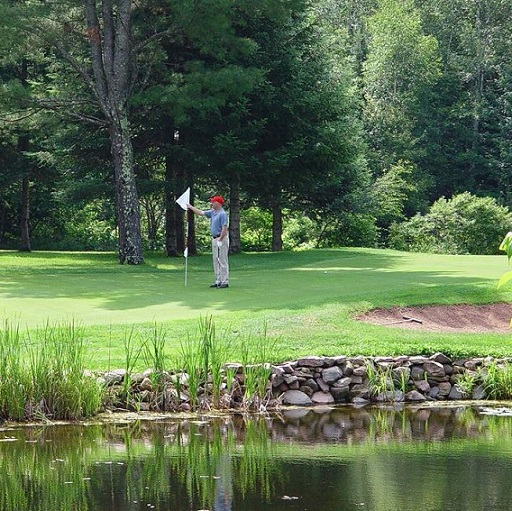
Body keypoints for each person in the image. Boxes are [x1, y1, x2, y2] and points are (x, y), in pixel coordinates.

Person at [187, 195, 230, 288]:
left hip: (221, 238)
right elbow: (201, 213)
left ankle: (224, 281)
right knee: (216, 260)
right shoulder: (213, 212)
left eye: (213, 202)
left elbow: (224, 228)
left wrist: (221, 240)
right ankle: (218, 280)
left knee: (222, 260)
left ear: (218, 203)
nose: (211, 203)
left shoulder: (222, 214)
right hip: (214, 239)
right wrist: (190, 207)